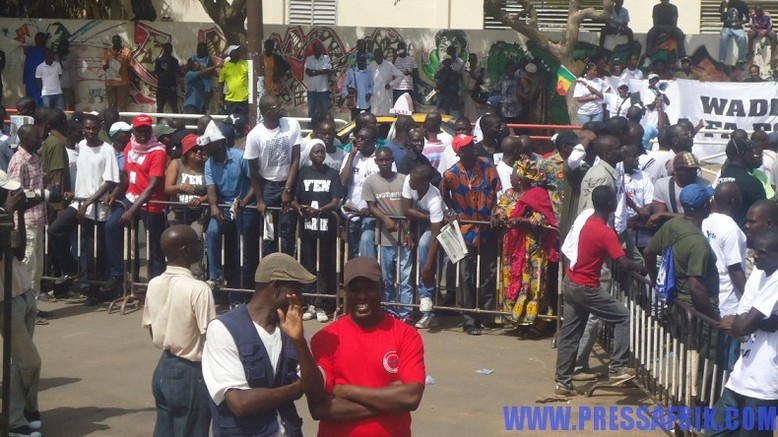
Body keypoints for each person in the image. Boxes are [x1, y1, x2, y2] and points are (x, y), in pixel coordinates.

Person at [202, 253, 326, 437]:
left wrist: (299, 343)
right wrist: (296, 388)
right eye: (296, 289)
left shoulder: (293, 330)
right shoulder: (223, 329)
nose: (300, 297)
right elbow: (240, 403)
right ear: (276, 287)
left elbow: (316, 392)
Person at [308, 256, 425, 436]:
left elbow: (411, 397)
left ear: (382, 288)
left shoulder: (407, 335)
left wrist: (346, 391)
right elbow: (321, 409)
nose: (362, 296)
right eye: (354, 289)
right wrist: (389, 401)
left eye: (370, 288)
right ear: (345, 291)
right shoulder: (325, 339)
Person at [556, 185, 646, 396]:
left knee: (570, 334)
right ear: (609, 205)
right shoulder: (605, 232)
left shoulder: (587, 221)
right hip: (586, 287)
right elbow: (623, 263)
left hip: (571, 281)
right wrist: (645, 269)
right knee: (623, 317)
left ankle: (563, 383)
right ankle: (617, 368)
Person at [142, 225, 216, 437]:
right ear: (185, 250)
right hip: (191, 372)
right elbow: (210, 337)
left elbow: (150, 326)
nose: (201, 245)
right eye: (197, 242)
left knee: (165, 430)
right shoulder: (198, 289)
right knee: (192, 429)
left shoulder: (154, 284)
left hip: (164, 367)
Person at [709, 228, 778, 437]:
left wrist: (749, 322)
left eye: (762, 252)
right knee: (713, 432)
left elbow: (740, 326)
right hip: (741, 376)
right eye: (754, 251)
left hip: (765, 386)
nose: (755, 257)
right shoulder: (759, 274)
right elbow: (741, 322)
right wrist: (765, 322)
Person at [47, 113, 119, 303]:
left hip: (97, 206)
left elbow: (109, 181)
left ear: (100, 127)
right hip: (78, 203)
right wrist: (73, 193)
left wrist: (88, 202)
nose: (90, 132)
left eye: (94, 128)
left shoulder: (107, 150)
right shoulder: (81, 146)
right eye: (87, 128)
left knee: (94, 250)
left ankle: (94, 291)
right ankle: (72, 269)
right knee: (55, 230)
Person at [440, 134, 501, 335]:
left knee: (489, 272)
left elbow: (498, 192)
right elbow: (444, 195)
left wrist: (494, 212)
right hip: (465, 230)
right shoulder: (451, 174)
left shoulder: (487, 166)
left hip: (487, 228)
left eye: (472, 144)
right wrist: (452, 213)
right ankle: (468, 319)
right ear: (459, 152)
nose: (473, 148)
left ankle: (487, 316)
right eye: (468, 146)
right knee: (465, 274)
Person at [0, 171, 44, 437]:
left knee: (19, 363)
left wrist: (17, 214)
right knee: (30, 361)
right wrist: (7, 210)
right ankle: (15, 421)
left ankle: (22, 414)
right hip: (5, 299)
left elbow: (15, 250)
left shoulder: (5, 213)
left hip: (22, 290)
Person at [103, 115, 168, 295]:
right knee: (111, 226)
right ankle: (118, 273)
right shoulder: (129, 145)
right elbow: (125, 176)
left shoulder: (158, 151)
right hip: (131, 197)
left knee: (155, 247)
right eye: (139, 130)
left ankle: (157, 288)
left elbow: (153, 185)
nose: (142, 133)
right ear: (133, 131)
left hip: (152, 202)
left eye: (146, 130)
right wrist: (114, 194)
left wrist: (132, 210)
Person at [494, 158, 558, 336]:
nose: (511, 177)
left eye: (514, 174)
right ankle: (518, 321)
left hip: (533, 248)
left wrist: (522, 220)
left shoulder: (537, 195)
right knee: (514, 282)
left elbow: (543, 218)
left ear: (520, 178)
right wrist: (499, 216)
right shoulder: (510, 194)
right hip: (512, 247)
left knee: (533, 285)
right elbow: (500, 209)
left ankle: (537, 323)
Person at [645, 184, 721, 323]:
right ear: (705, 206)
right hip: (698, 315)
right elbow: (696, 287)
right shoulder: (698, 243)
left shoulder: (673, 224)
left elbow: (648, 252)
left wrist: (656, 282)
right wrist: (716, 320)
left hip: (677, 306)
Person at [203, 122, 257, 297]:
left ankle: (238, 291)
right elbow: (211, 188)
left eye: (209, 144)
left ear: (219, 143)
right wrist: (213, 206)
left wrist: (246, 199)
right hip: (223, 206)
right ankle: (215, 276)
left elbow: (254, 181)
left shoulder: (239, 157)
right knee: (212, 232)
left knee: (240, 249)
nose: (206, 148)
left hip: (243, 206)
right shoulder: (209, 164)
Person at [292, 139, 343, 322]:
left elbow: (335, 200)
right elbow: (293, 198)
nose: (320, 155)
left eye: (322, 152)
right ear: (310, 154)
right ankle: (309, 303)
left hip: (326, 229)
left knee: (324, 267)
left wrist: (321, 210)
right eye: (316, 152)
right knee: (308, 265)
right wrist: (298, 208)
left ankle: (322, 305)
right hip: (307, 229)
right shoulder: (302, 173)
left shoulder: (333, 174)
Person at [245, 95, 301, 257]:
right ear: (268, 111)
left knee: (288, 232)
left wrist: (288, 189)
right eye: (279, 105)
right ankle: (270, 275)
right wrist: (260, 200)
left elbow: (296, 158)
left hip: (288, 183)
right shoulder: (255, 136)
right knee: (269, 234)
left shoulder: (292, 125)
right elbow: (254, 173)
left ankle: (288, 271)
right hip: (268, 187)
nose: (282, 106)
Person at [363, 148, 412, 322]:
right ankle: (390, 311)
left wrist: (408, 231)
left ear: (392, 160)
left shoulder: (403, 179)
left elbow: (409, 207)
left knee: (405, 278)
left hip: (404, 238)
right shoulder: (370, 182)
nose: (384, 163)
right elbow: (371, 206)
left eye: (387, 160)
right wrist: (386, 220)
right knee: (387, 278)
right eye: (381, 160)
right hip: (384, 238)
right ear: (376, 161)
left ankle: (406, 313)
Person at [702, 182, 747, 371]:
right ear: (735, 201)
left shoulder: (706, 221)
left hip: (710, 296)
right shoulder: (732, 230)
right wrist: (750, 295)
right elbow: (735, 269)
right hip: (729, 301)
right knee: (728, 358)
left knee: (711, 353)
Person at [7, 125, 47, 311]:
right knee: (28, 266)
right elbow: (15, 193)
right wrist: (39, 194)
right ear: (24, 139)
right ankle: (27, 307)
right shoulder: (19, 161)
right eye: (36, 138)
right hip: (26, 221)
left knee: (37, 268)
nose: (40, 140)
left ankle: (34, 306)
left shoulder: (35, 157)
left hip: (38, 219)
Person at [402, 163, 445, 329]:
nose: (410, 183)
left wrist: (427, 267)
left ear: (424, 183)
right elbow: (405, 210)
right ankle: (429, 306)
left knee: (425, 247)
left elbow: (436, 235)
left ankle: (429, 311)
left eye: (414, 181)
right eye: (411, 179)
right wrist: (409, 230)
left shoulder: (434, 199)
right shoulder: (409, 179)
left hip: (437, 228)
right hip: (422, 221)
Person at [340, 126, 387, 259]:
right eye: (358, 137)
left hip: (371, 215)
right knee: (352, 252)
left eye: (363, 138)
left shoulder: (381, 158)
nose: (359, 141)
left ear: (373, 141)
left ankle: (369, 277)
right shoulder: (351, 157)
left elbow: (386, 188)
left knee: (367, 244)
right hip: (351, 214)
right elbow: (343, 182)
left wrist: (371, 208)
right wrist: (351, 155)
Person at [648, 152, 710, 227]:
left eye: (695, 169)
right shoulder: (662, 185)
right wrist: (662, 214)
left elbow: (708, 214)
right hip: (674, 228)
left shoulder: (705, 185)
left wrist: (664, 214)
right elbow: (658, 217)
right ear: (677, 170)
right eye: (689, 170)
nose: (694, 173)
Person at [718, 138, 767, 227]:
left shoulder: (721, 177)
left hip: (720, 229)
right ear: (743, 154)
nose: (753, 154)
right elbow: (764, 212)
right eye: (750, 151)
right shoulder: (750, 182)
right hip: (743, 235)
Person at [165, 134, 207, 230]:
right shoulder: (176, 164)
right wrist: (180, 187)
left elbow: (213, 191)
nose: (199, 152)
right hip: (177, 211)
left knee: (194, 238)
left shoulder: (206, 166)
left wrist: (201, 199)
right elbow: (167, 189)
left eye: (201, 148)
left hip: (199, 213)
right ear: (187, 152)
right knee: (177, 239)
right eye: (195, 149)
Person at [102, 35, 133, 111]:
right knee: (111, 104)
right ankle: (112, 120)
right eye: (114, 41)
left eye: (117, 41)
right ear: (112, 42)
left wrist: (128, 78)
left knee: (122, 105)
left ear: (120, 42)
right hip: (110, 82)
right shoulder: (108, 52)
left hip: (123, 82)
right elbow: (104, 67)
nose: (116, 43)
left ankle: (122, 121)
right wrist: (110, 59)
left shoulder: (127, 52)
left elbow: (131, 67)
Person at [304, 41, 334, 118]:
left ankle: (325, 128)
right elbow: (308, 72)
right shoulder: (309, 59)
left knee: (324, 111)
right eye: (316, 49)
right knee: (311, 111)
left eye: (319, 49)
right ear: (313, 50)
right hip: (312, 90)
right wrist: (321, 71)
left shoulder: (326, 58)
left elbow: (327, 71)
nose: (318, 50)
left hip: (323, 89)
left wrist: (314, 71)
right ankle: (310, 128)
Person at [369, 48, 402, 116]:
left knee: (386, 115)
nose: (377, 59)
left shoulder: (388, 65)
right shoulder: (371, 65)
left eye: (378, 57)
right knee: (374, 115)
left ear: (382, 56)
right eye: (375, 57)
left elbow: (401, 75)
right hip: (375, 96)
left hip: (386, 95)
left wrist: (391, 84)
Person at [342, 52, 373, 120]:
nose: (363, 63)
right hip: (355, 104)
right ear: (357, 61)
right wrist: (347, 95)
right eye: (361, 61)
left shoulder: (369, 73)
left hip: (366, 104)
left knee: (367, 122)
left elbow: (372, 85)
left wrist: (370, 93)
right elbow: (344, 86)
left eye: (364, 61)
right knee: (355, 123)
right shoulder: (351, 72)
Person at [218, 45, 249, 114]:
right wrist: (220, 98)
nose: (239, 53)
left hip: (244, 99)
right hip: (230, 99)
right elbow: (221, 82)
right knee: (231, 120)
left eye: (239, 51)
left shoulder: (245, 64)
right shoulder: (225, 66)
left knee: (243, 120)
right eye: (236, 51)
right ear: (231, 53)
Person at [719, 0, 749, 65]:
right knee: (723, 38)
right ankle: (721, 61)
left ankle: (741, 60)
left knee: (742, 37)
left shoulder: (742, 3)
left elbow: (748, 19)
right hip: (726, 27)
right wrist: (724, 7)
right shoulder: (725, 2)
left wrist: (740, 23)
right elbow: (721, 19)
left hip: (738, 27)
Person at [154, 42, 180, 114]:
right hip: (161, 87)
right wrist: (167, 72)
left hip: (171, 87)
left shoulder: (174, 61)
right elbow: (157, 73)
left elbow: (176, 72)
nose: (168, 51)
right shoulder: (159, 61)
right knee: (160, 107)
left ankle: (176, 122)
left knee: (174, 106)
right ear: (164, 49)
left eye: (170, 49)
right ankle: (159, 123)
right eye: (167, 49)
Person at [190, 42, 216, 111]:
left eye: (203, 49)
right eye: (199, 49)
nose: (201, 51)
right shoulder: (191, 60)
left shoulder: (209, 61)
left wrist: (196, 73)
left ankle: (203, 122)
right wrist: (203, 71)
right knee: (193, 108)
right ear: (197, 49)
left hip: (205, 89)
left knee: (204, 108)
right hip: (193, 90)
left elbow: (208, 74)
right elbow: (188, 73)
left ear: (205, 50)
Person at [23, 32, 48, 107]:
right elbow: (26, 64)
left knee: (40, 100)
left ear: (44, 40)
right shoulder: (31, 50)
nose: (37, 40)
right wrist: (24, 78)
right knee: (30, 101)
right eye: (36, 39)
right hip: (30, 80)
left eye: (40, 39)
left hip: (41, 81)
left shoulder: (46, 51)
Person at [57, 41, 76, 111]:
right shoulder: (57, 56)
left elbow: (65, 65)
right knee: (61, 105)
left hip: (69, 84)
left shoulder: (71, 55)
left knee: (70, 104)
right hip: (59, 84)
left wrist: (60, 56)